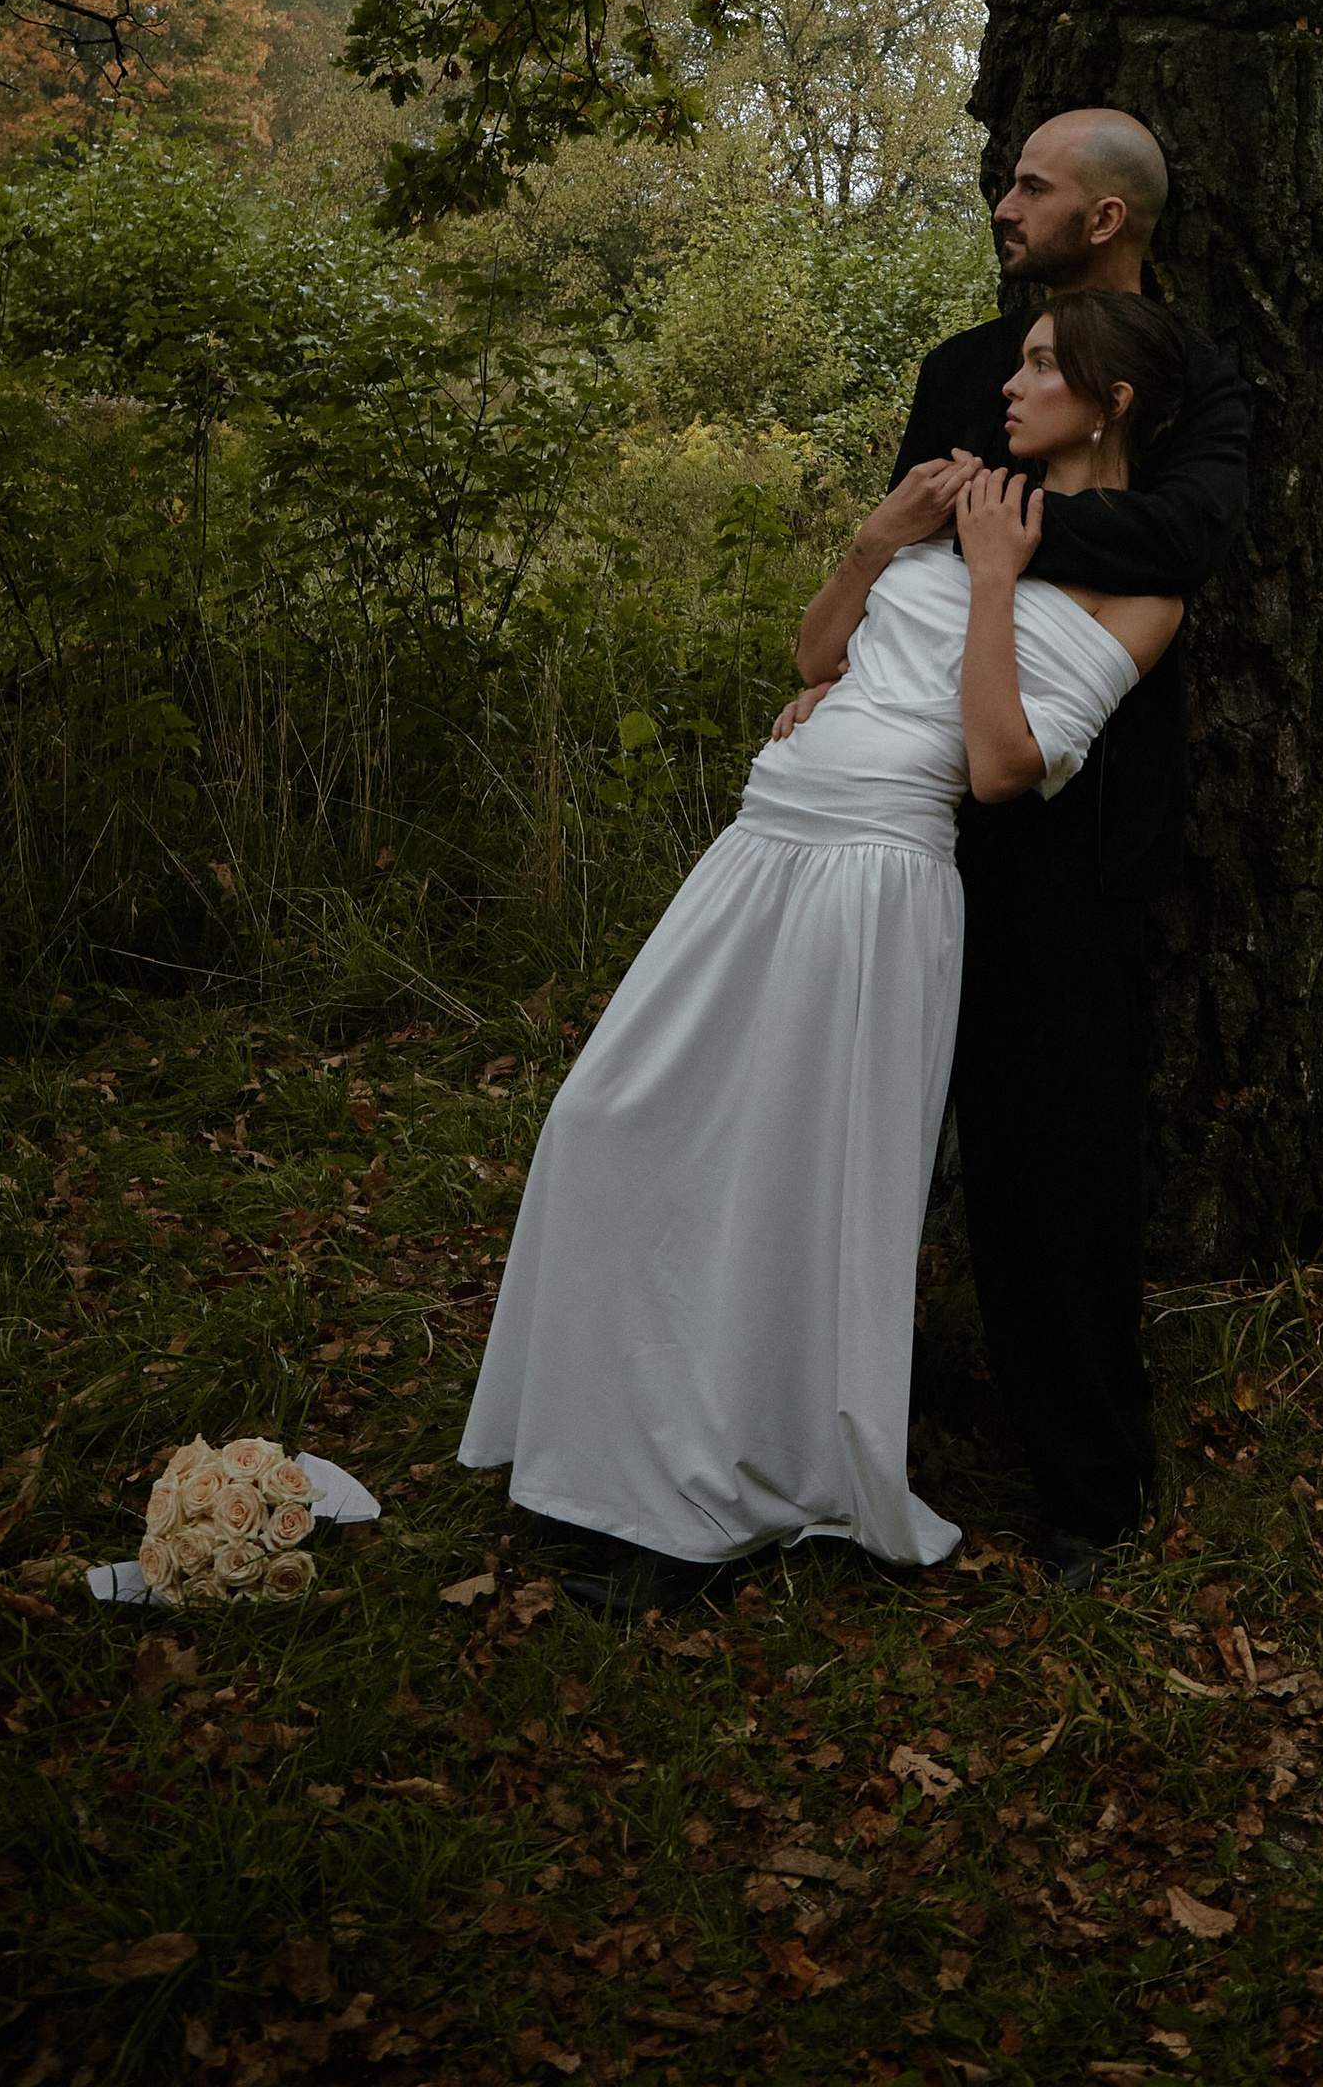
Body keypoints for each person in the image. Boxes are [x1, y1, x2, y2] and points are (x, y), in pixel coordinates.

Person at [456, 292, 1187, 1595]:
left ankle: (713, 1496)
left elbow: (1007, 766)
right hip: (760, 845)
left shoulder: (1134, 589)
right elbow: (814, 652)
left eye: (1038, 368)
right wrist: (875, 542)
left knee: (783, 1184)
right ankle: (607, 1441)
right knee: (611, 1119)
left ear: (1111, 403)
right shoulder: (968, 505)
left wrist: (996, 588)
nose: (1007, 388)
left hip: (875, 877)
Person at [782, 108, 1252, 1588]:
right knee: (861, 1122)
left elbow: (1178, 543)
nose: (1005, 205)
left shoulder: (1199, 383)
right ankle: (828, 1409)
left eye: (1032, 187)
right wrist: (847, 659)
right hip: (901, 812)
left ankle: (1089, 1482)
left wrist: (1011, 529)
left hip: (1071, 827)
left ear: (1103, 219)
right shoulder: (960, 373)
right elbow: (909, 540)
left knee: (1058, 1154)